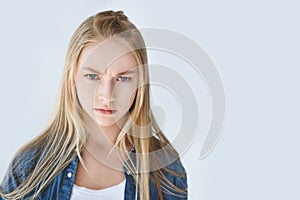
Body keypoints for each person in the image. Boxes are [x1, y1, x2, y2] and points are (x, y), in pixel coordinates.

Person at [0, 10, 188, 200]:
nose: (106, 95)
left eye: (122, 78)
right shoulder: (28, 169)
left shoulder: (166, 171)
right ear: (72, 77)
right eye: (92, 76)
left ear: (140, 83)